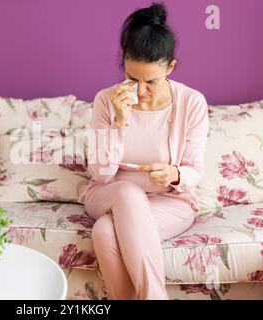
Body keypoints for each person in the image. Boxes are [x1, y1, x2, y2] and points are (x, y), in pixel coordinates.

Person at [78, 2, 209, 300]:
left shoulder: (192, 103)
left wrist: (175, 174)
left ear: (170, 67)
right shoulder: (105, 100)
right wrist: (120, 122)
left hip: (169, 202)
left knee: (103, 232)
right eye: (132, 78)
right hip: (109, 194)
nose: (140, 90)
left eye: (151, 81)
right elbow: (100, 174)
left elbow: (195, 169)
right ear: (124, 64)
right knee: (127, 192)